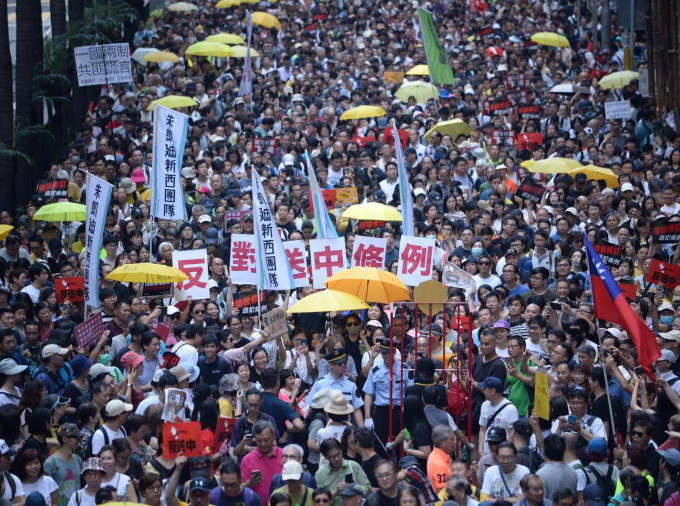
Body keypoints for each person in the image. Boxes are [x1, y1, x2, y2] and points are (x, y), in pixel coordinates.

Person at [315, 439, 370, 506]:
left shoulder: (353, 466)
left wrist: (354, 488)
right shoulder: (320, 475)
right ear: (326, 457)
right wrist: (336, 492)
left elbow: (368, 488)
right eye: (332, 457)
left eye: (338, 454)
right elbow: (321, 501)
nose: (337, 459)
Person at [240, 420, 283, 505]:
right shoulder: (247, 460)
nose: (263, 444)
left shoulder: (284, 455)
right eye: (259, 440)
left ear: (273, 437)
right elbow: (240, 488)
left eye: (266, 440)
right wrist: (249, 483)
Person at [427, 425, 458, 493]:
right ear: (443, 444)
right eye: (452, 439)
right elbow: (442, 493)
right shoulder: (439, 464)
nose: (455, 442)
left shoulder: (439, 454)